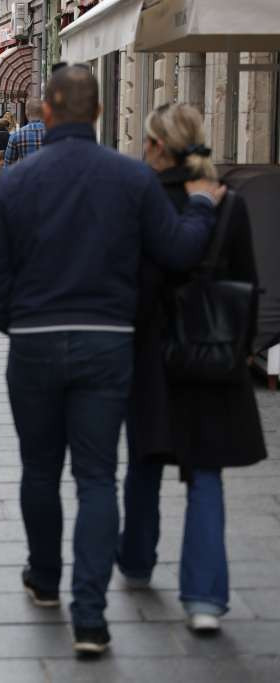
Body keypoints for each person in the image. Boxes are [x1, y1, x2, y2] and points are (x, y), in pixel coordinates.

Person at [0, 65, 225, 657]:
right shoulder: (132, 179)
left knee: (39, 471)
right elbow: (179, 250)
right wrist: (201, 208)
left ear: (49, 114)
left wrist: (18, 320)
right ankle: (90, 617)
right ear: (96, 114)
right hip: (106, 342)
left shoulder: (14, 182)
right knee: (96, 478)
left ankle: (43, 577)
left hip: (35, 341)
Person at [118, 103, 267, 634]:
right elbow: (247, 284)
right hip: (214, 353)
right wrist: (240, 349)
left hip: (152, 352)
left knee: (144, 463)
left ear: (158, 145)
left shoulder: (143, 200)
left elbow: (130, 286)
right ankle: (205, 598)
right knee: (206, 473)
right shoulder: (230, 202)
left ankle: (136, 561)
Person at [5, 98, 46, 166]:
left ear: (26, 113)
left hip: (25, 175)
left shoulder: (16, 136)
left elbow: (8, 166)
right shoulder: (54, 133)